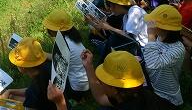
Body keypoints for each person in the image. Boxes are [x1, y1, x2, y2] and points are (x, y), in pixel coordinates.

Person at [47, 50, 175, 110]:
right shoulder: (134, 94)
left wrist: (60, 103)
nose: (100, 81)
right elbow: (101, 99)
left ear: (114, 89)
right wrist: (89, 67)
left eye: (103, 80)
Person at [0, 37, 60, 110]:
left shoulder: (37, 88)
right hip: (48, 103)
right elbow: (29, 91)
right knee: (10, 96)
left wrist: (2, 102)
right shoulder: (46, 68)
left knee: (2, 102)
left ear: (22, 67)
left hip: (44, 106)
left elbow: (28, 107)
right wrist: (10, 91)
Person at [143, 5, 185, 107]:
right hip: (154, 83)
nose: (150, 25)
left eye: (154, 24)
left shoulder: (177, 49)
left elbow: (153, 63)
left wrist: (151, 36)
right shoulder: (160, 38)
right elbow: (152, 56)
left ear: (166, 29)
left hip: (167, 95)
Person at [42, 10, 89, 101]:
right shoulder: (72, 38)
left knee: (46, 67)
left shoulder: (65, 45)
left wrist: (41, 53)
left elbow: (55, 60)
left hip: (76, 88)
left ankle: (71, 99)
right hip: (85, 82)